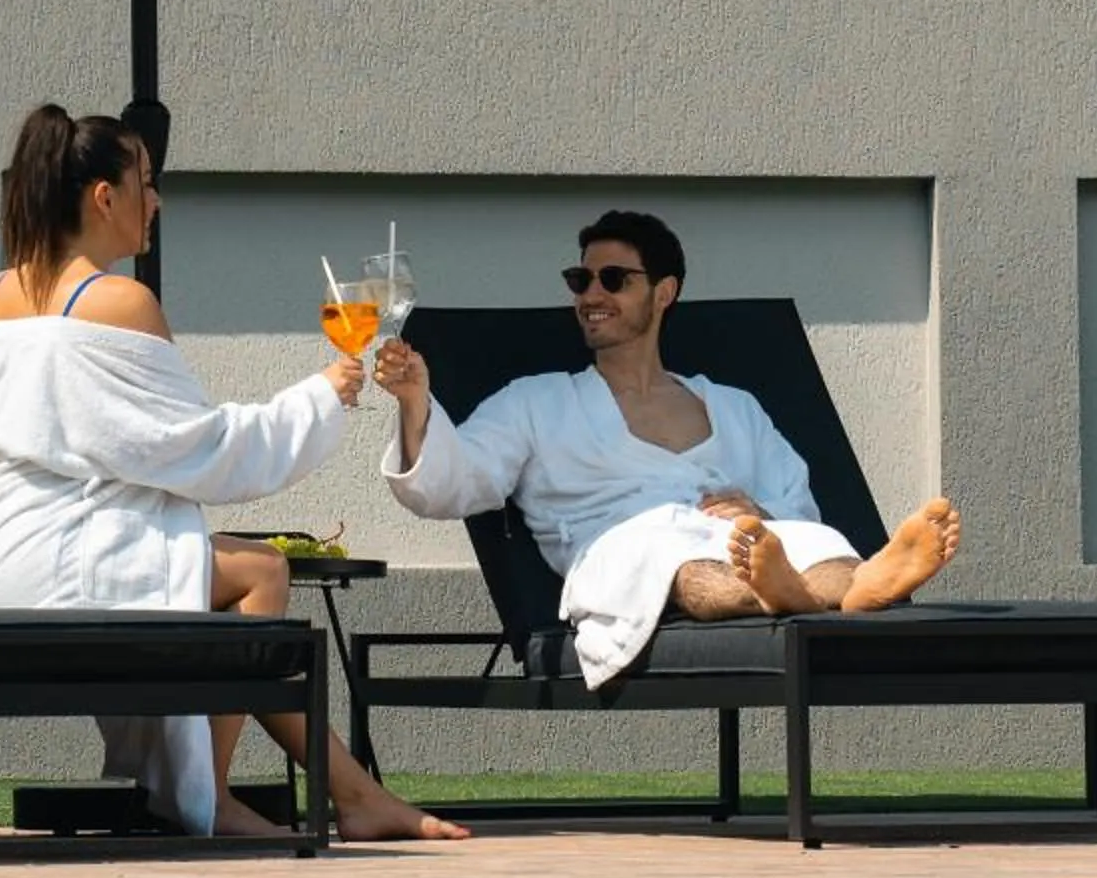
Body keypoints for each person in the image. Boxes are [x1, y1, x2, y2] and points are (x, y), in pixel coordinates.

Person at [0, 103, 466, 842]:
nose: (157, 201)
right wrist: (320, 398)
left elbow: (4, 450)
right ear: (104, 196)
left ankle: (355, 794)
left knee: (217, 573)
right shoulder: (121, 302)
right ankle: (213, 799)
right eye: (146, 183)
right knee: (262, 573)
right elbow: (200, 450)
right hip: (61, 568)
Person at [374, 208, 961, 688]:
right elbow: (451, 485)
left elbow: (797, 506)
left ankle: (855, 582)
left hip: (740, 541)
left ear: (664, 292)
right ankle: (782, 593)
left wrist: (760, 512)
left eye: (614, 279)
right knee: (676, 563)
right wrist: (416, 403)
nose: (591, 294)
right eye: (581, 280)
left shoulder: (734, 407)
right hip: (619, 550)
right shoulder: (537, 402)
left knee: (815, 541)